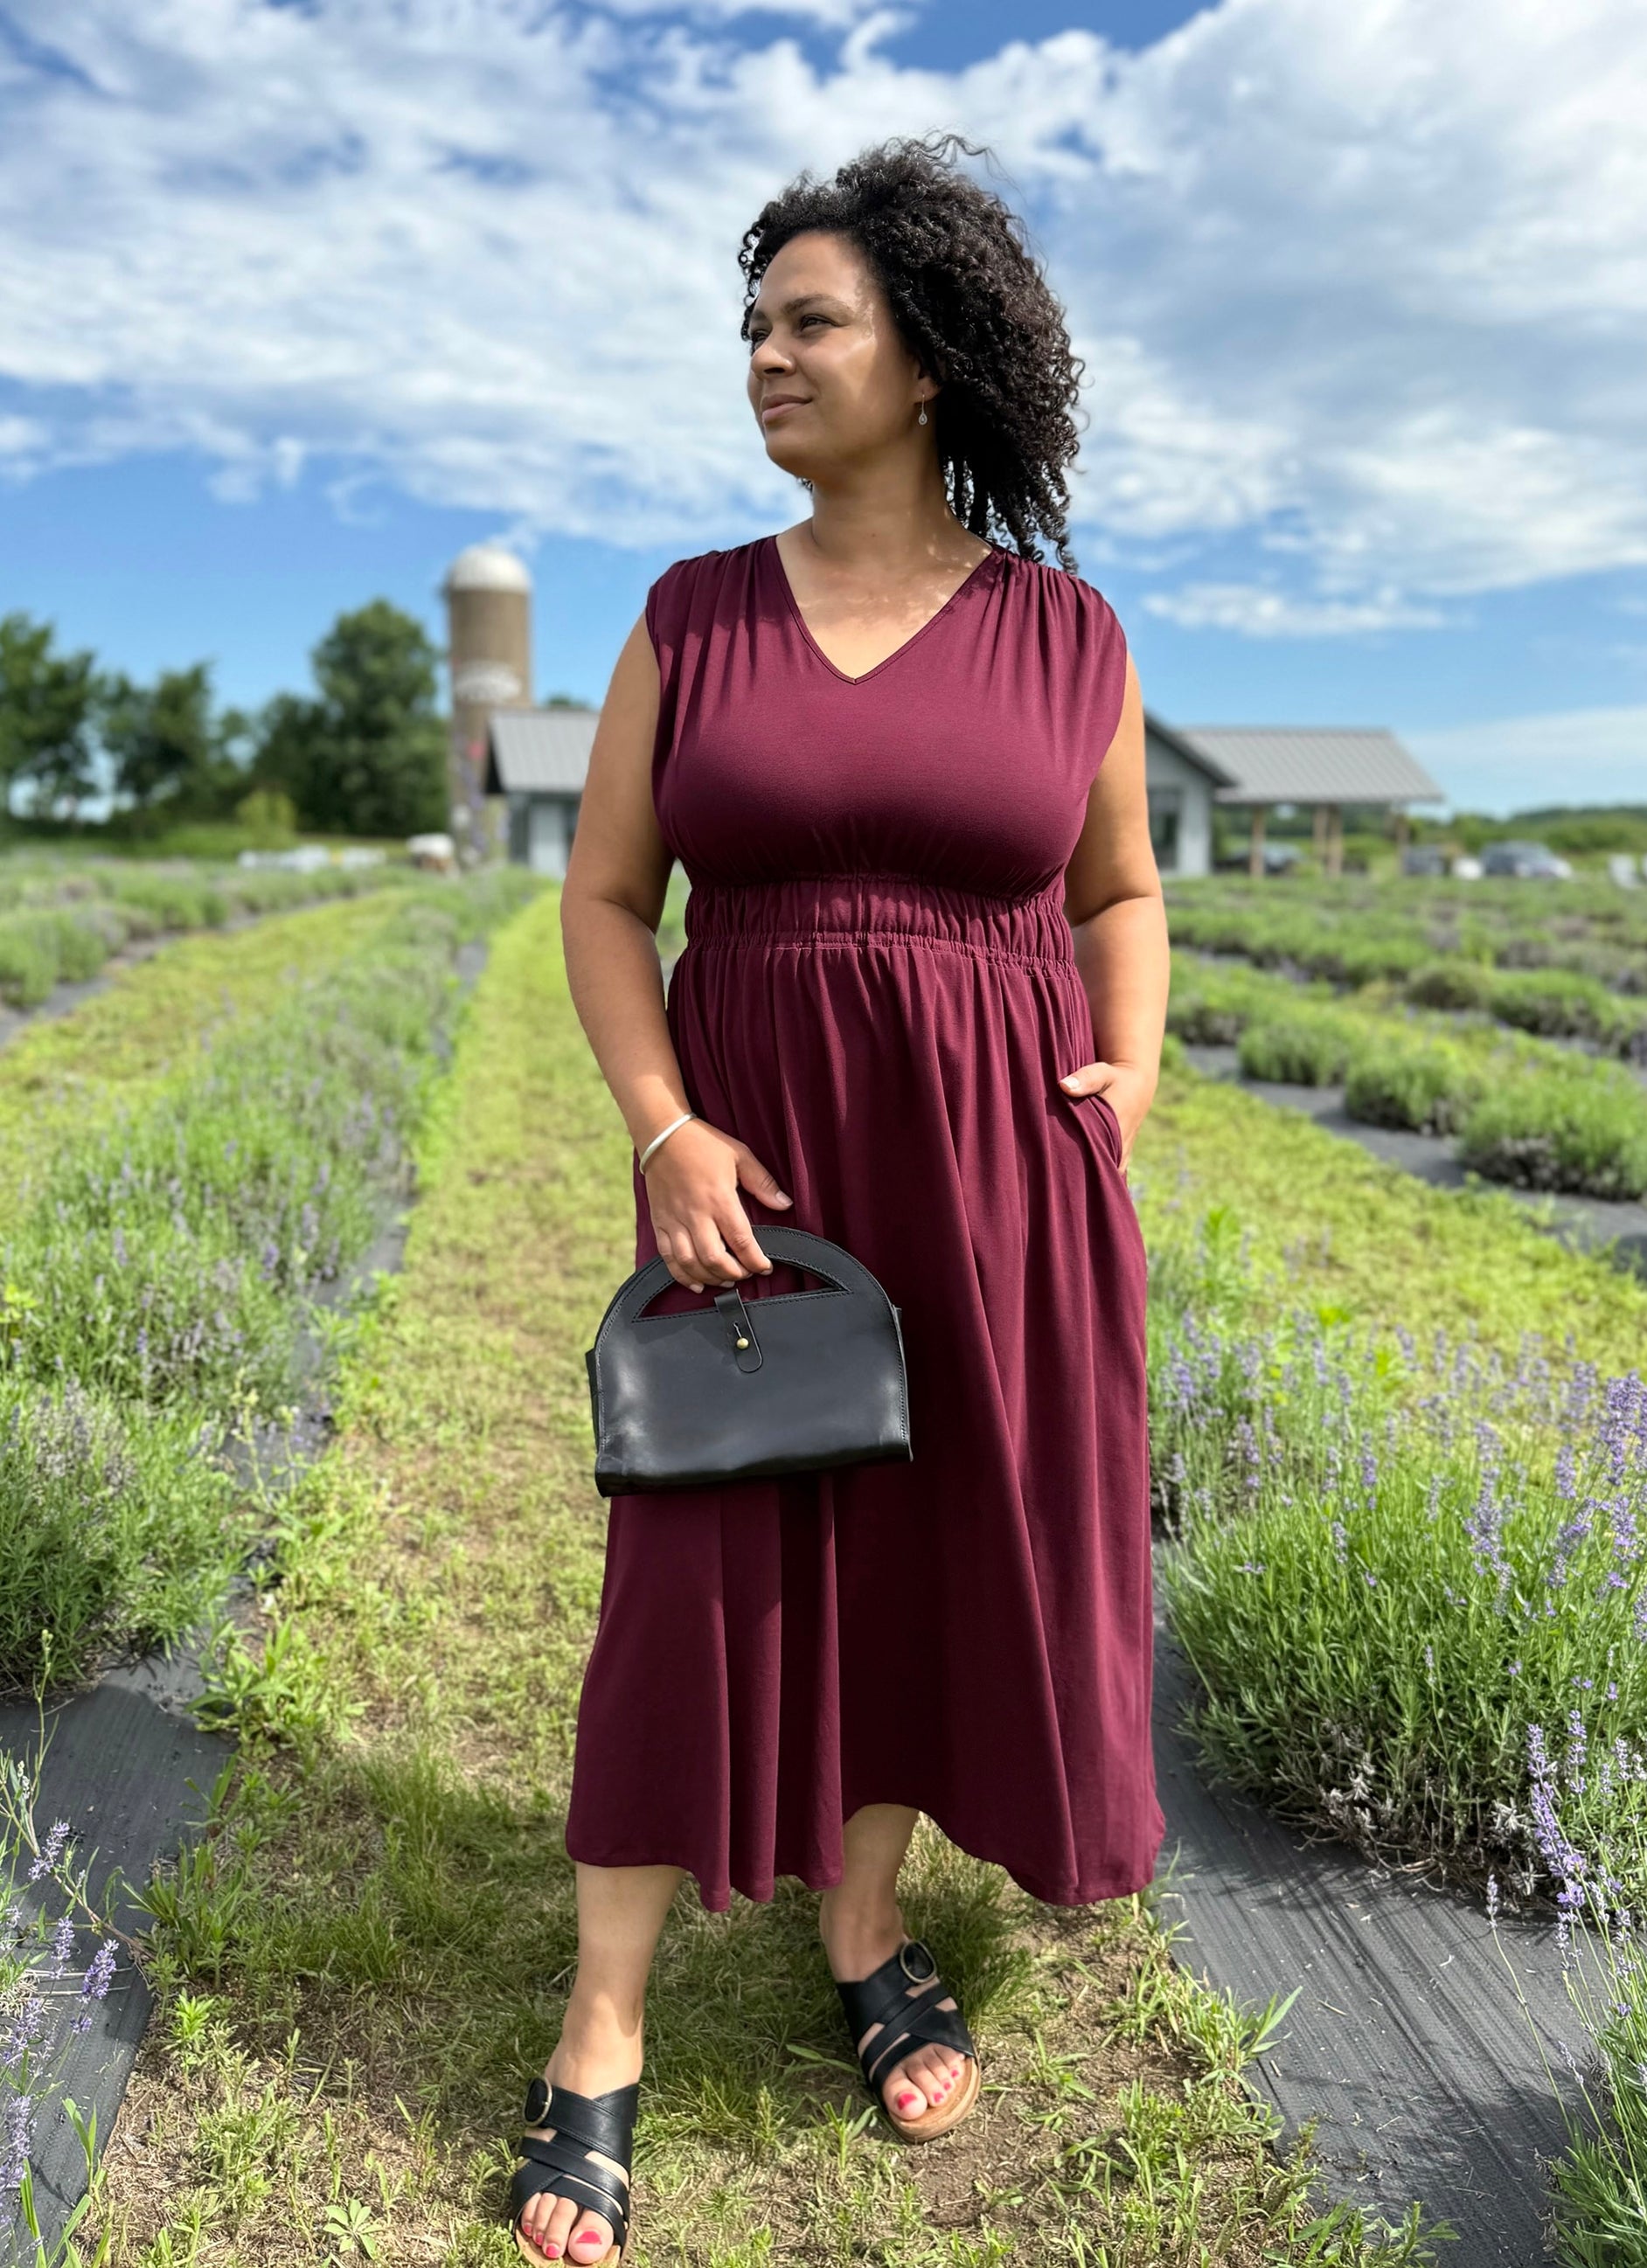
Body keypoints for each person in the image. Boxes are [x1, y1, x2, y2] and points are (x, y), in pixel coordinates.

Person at [511, 133, 1170, 2268]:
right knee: (692, 1557)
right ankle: (601, 2025)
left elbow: (1121, 887)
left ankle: (861, 1915)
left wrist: (1129, 1063)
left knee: (912, 1550)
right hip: (757, 1157)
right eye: (753, 329)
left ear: (932, 357)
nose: (766, 359)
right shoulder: (690, 616)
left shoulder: (1071, 634)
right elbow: (609, 897)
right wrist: (660, 1121)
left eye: (809, 322)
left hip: (996, 1172)